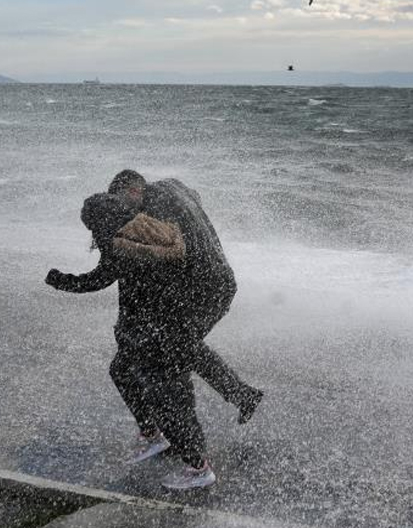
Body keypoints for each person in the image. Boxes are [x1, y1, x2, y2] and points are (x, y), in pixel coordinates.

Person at [47, 193, 217, 489]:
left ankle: (198, 468)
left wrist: (60, 280)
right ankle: (153, 436)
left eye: (91, 227)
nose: (92, 234)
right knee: (123, 371)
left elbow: (97, 280)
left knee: (163, 397)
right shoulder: (148, 228)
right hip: (172, 325)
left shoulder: (123, 246)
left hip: (162, 334)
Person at [107, 170, 262, 423]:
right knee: (182, 345)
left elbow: (165, 257)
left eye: (123, 204)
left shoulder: (153, 212)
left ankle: (175, 433)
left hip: (204, 290)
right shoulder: (172, 185)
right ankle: (242, 396)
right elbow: (195, 198)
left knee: (173, 351)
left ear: (134, 191)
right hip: (219, 281)